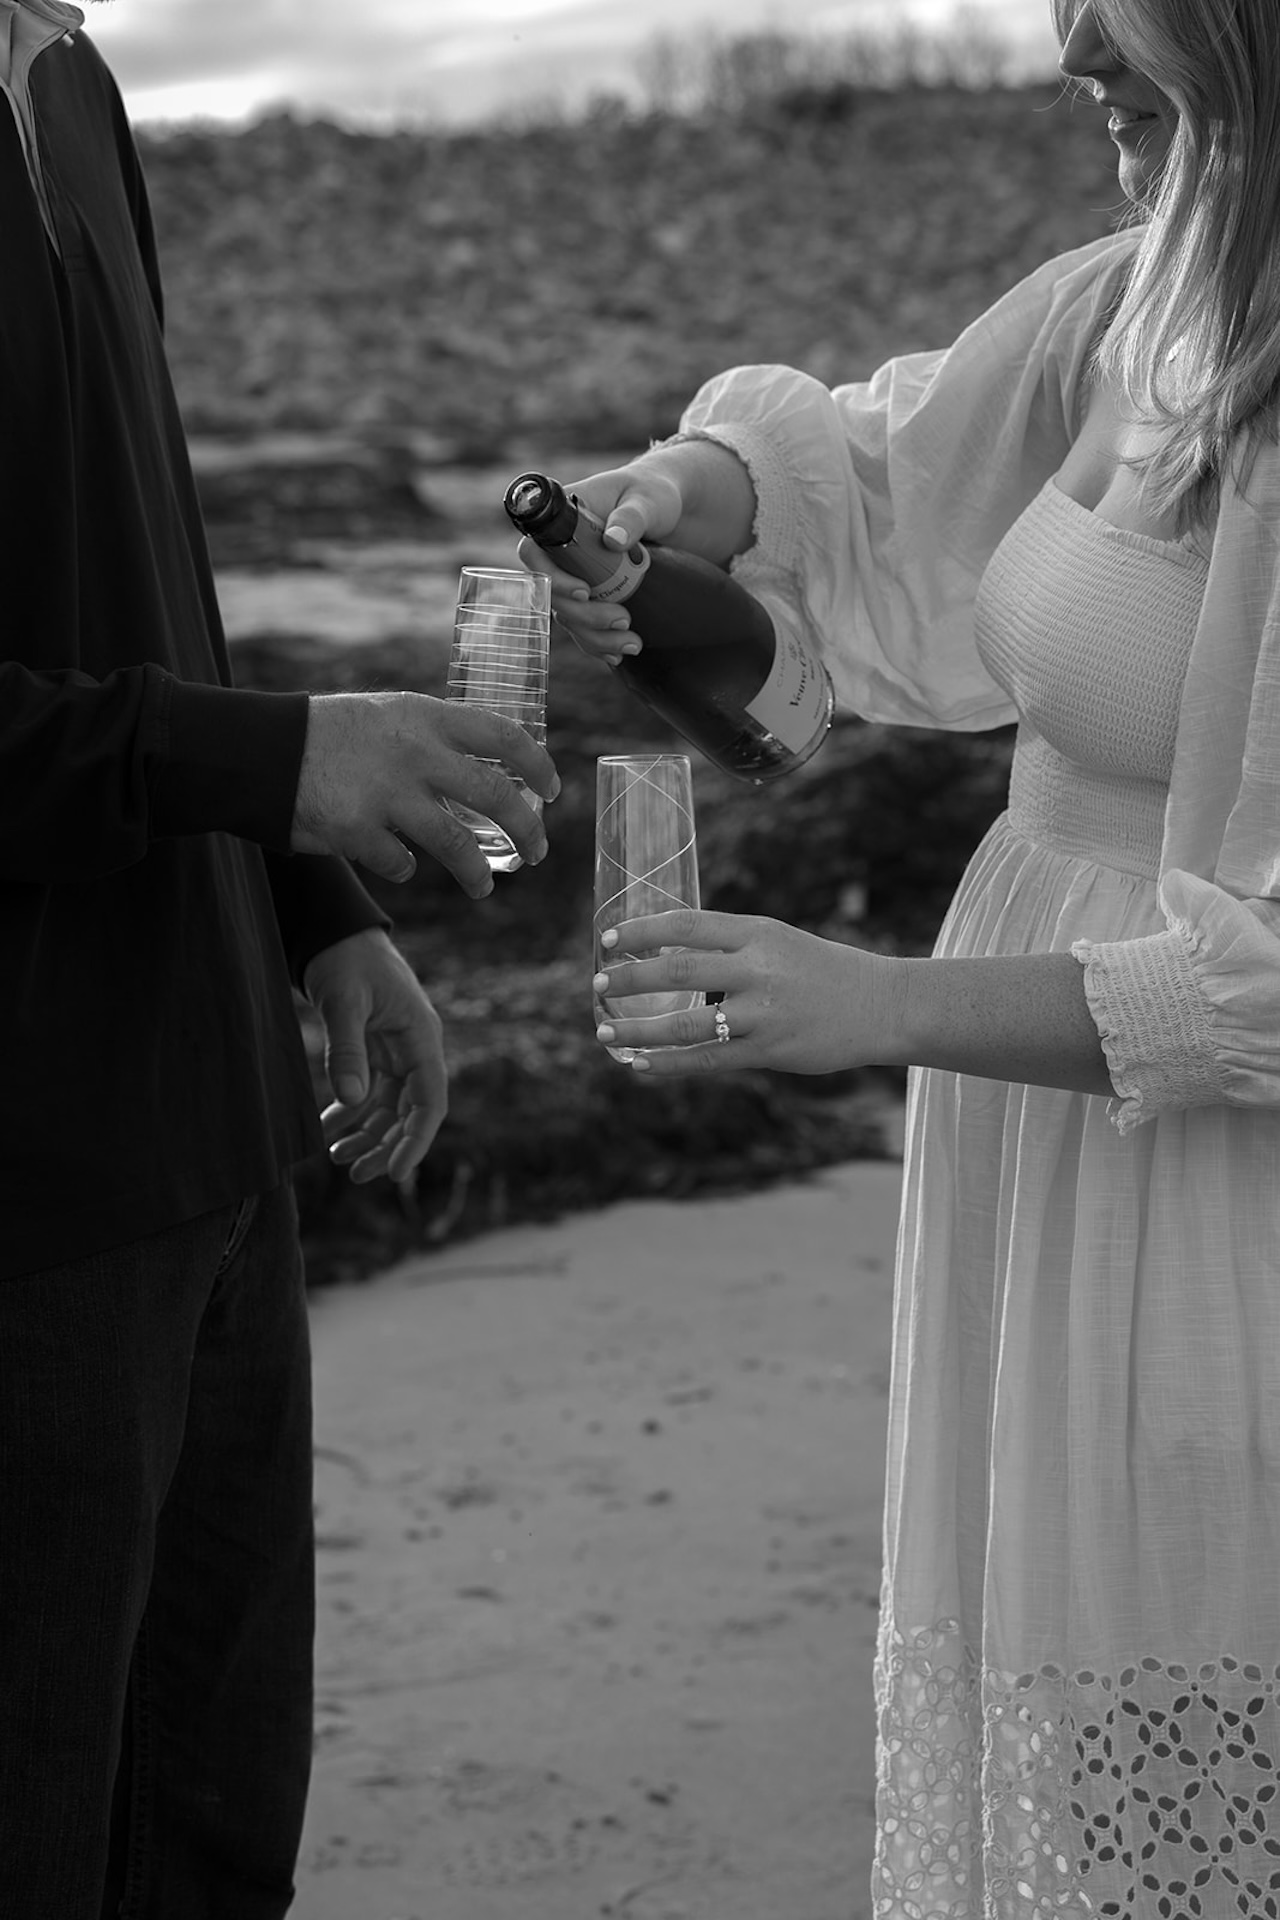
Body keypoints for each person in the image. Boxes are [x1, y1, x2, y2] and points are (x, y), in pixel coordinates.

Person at [527, 1, 1280, 1912]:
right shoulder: (1161, 274)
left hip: (1226, 1210)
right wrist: (684, 499)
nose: (1070, 48)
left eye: (1125, 3)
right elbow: (896, 469)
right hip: (1057, 1172)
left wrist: (874, 1010)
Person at [0, 3, 558, 1916]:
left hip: (217, 1135)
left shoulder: (68, 86)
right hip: (27, 1178)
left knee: (219, 1829)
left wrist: (312, 903)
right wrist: (277, 764)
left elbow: (148, 568)